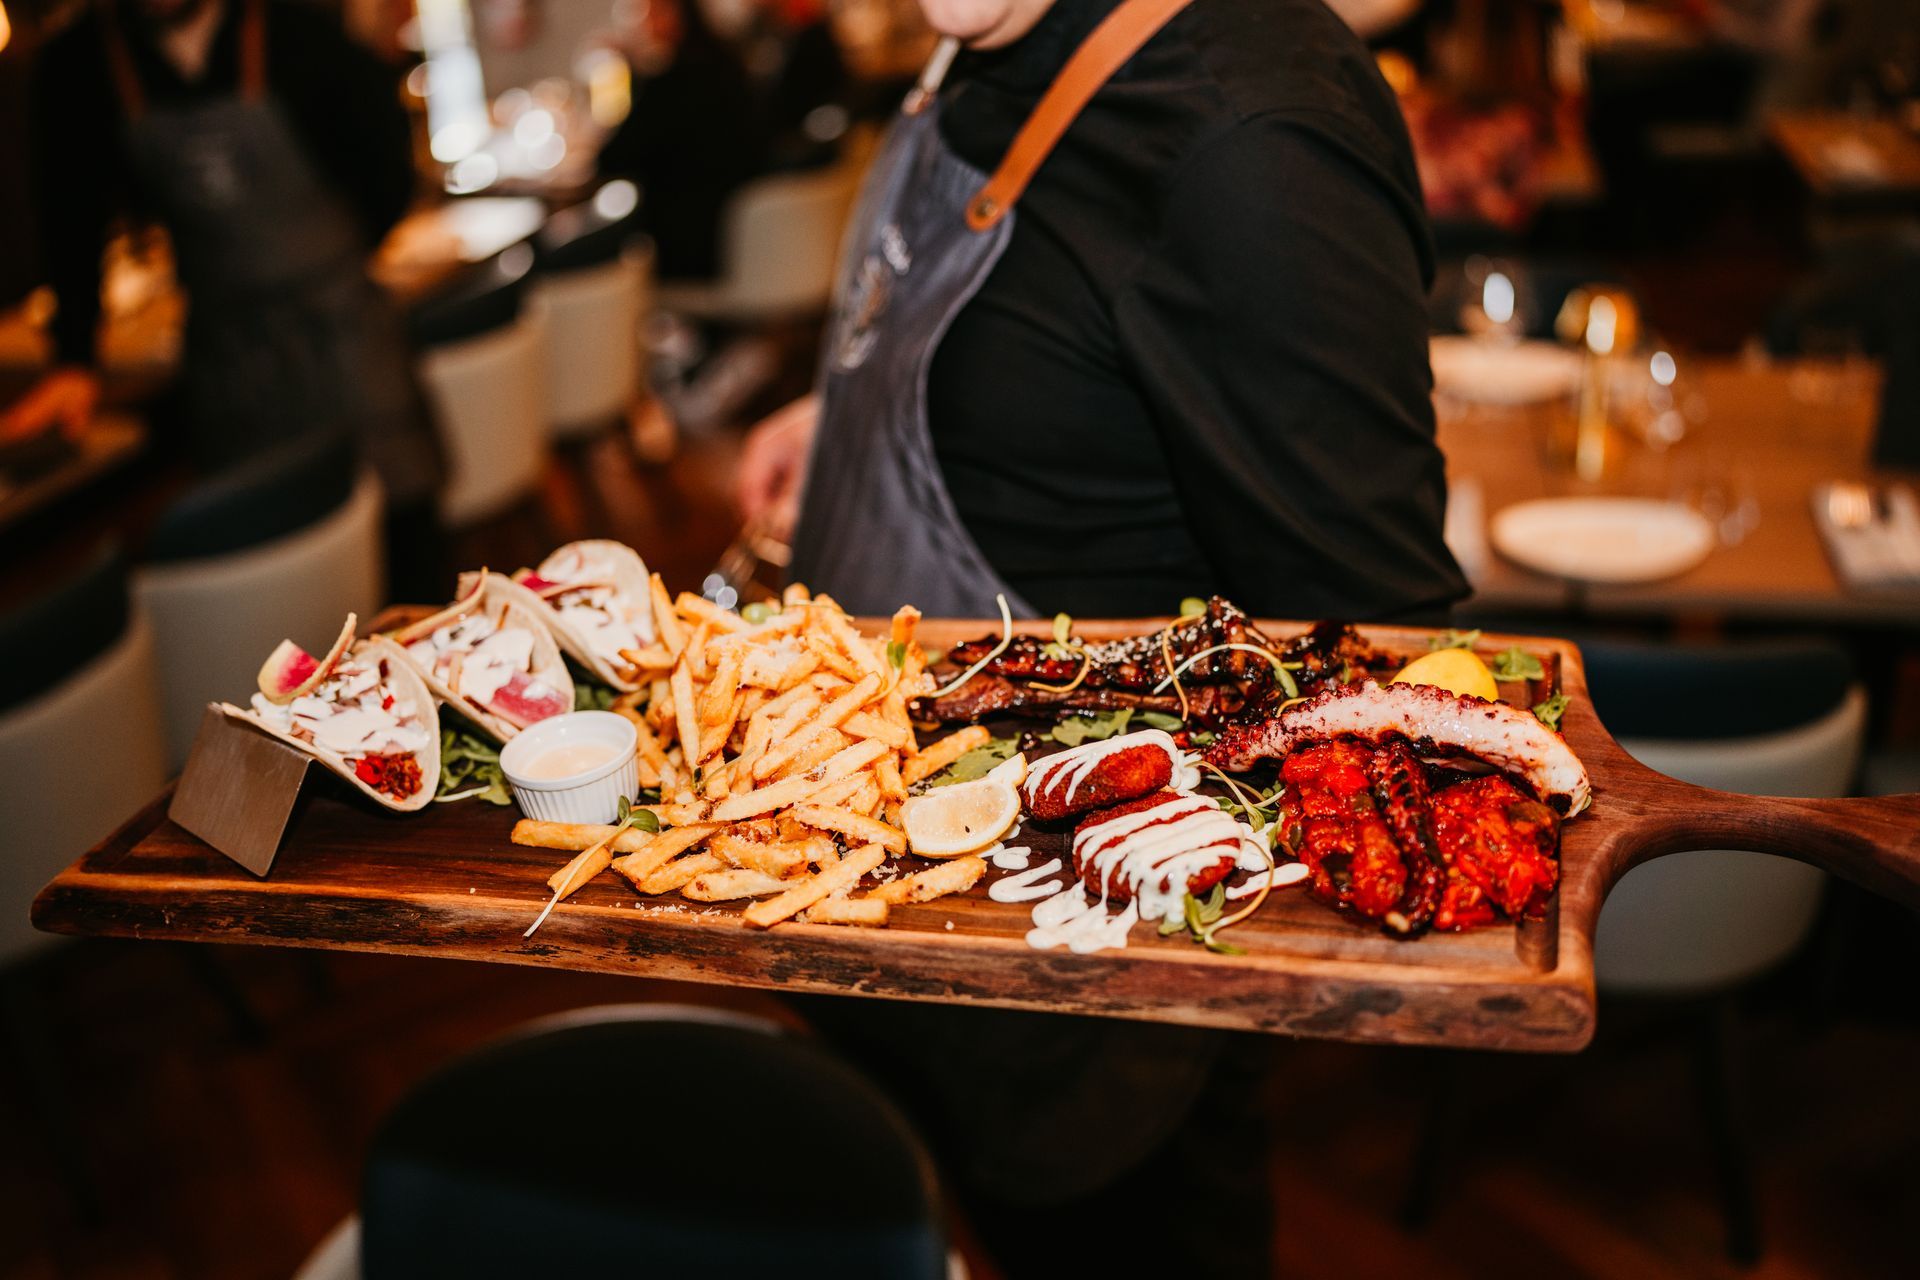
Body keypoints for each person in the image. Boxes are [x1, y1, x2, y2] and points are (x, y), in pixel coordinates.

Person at [737, 1, 1466, 1274]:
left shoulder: (1257, 143)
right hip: (869, 916)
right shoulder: (984, 19)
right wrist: (851, 402)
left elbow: (1384, 637)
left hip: (1071, 993)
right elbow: (1068, 321)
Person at [8, 0, 444, 595]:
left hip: (346, 334)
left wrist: (326, 262)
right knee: (270, 576)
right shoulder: (78, 64)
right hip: (227, 359)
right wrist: (75, 357)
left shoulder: (298, 28)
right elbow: (68, 218)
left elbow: (386, 167)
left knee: (407, 556)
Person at [597, 0, 760, 282]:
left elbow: (611, 159)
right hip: (738, 234)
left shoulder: (674, 79)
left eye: (650, 12)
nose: (641, 23)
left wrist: (634, 69)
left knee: (585, 247)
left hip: (692, 246)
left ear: (677, 13)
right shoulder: (728, 60)